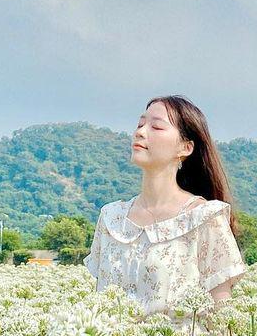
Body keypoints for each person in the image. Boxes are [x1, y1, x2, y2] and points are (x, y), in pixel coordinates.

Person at [82, 95, 247, 318]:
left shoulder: (205, 217)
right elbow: (97, 308)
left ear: (185, 148)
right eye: (140, 124)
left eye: (156, 127)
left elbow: (221, 316)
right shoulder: (111, 218)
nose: (140, 132)